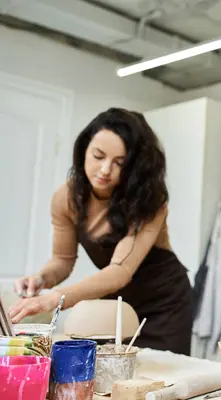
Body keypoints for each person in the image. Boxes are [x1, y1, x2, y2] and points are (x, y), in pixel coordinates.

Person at [9, 108, 194, 355]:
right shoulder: (66, 197)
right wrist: (41, 279)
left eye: (119, 163)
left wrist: (56, 298)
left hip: (164, 302)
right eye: (98, 156)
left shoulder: (150, 199)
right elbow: (63, 260)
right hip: (117, 300)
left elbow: (120, 271)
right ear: (84, 150)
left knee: (162, 381)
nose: (106, 170)